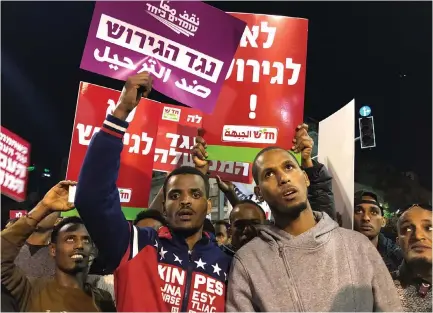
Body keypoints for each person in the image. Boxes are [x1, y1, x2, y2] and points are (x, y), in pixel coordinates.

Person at [74, 73, 231, 312]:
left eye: (195, 195)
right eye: (175, 195)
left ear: (209, 206)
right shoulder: (135, 244)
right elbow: (92, 197)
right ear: (164, 206)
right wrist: (121, 112)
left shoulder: (229, 263)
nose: (186, 201)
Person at [226, 147, 402, 312]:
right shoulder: (248, 262)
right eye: (269, 174)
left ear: (305, 177)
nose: (283, 178)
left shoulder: (358, 246)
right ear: (259, 192)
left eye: (288, 167)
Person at [1, 181, 115, 312]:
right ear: (53, 249)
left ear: (93, 251)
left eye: (86, 240)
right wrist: (44, 207)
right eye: (70, 239)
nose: (79, 245)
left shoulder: (103, 299)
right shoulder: (30, 289)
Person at [392, 203, 432, 312]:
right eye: (407, 229)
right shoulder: (379, 287)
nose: (418, 236)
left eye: (429, 228)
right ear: (398, 242)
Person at [354, 190, 403, 271]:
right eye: (358, 211)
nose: (366, 218)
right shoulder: (338, 252)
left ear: (383, 221)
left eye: (373, 212)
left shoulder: (396, 256)